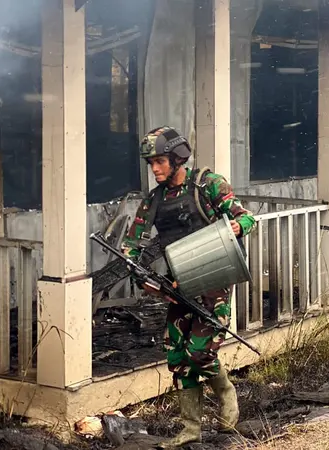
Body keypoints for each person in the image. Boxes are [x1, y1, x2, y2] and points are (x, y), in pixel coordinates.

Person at [121, 126, 255, 448]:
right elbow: (131, 247)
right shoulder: (153, 202)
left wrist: (237, 226)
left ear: (177, 159)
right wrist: (144, 278)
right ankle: (191, 428)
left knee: (200, 353)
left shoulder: (208, 185)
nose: (154, 169)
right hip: (180, 286)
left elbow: (246, 217)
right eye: (150, 163)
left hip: (215, 282)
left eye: (159, 161)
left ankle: (225, 391)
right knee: (179, 357)